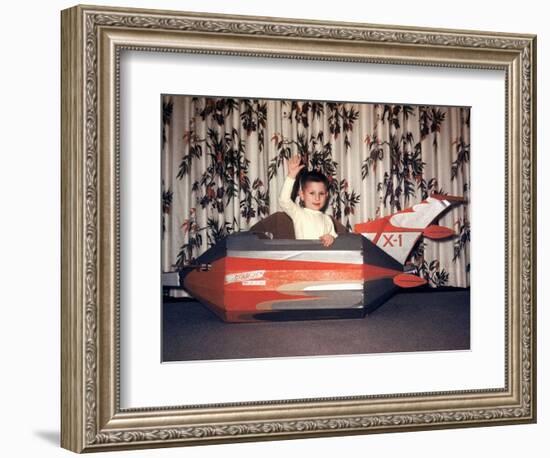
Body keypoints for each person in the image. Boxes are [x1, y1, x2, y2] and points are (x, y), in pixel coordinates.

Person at [278, 155, 337, 247]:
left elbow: (335, 240)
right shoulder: (298, 213)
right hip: (304, 258)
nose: (317, 198)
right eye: (312, 193)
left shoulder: (327, 219)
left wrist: (331, 238)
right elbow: (283, 200)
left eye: (321, 194)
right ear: (302, 195)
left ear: (326, 195)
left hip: (322, 258)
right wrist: (291, 175)